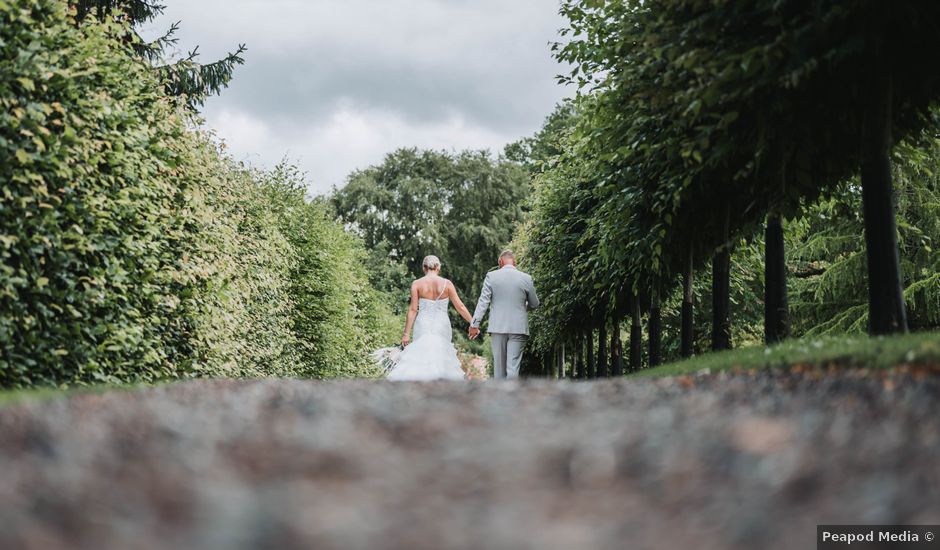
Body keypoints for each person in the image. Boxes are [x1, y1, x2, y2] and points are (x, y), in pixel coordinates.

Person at [387, 255, 474, 381]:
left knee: (421, 355)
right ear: (438, 267)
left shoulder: (416, 284)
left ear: (424, 268)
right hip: (442, 325)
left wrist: (406, 334)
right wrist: (472, 322)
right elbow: (460, 306)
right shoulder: (447, 284)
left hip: (423, 324)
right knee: (441, 355)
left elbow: (412, 310)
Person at [469, 250, 540, 379]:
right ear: (515, 261)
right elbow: (535, 304)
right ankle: (512, 396)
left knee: (499, 370)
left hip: (498, 328)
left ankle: (500, 397)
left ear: (500, 261)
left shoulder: (491, 276)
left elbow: (483, 302)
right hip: (518, 328)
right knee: (513, 368)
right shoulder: (526, 278)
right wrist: (523, 307)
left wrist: (474, 324)